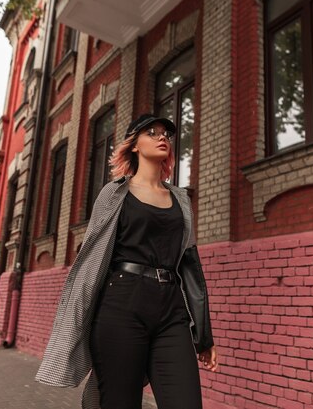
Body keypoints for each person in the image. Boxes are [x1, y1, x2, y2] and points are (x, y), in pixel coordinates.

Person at [36, 113, 217, 409]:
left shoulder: (181, 199)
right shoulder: (114, 193)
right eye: (152, 132)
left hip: (171, 310)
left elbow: (190, 265)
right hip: (121, 306)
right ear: (134, 145)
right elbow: (91, 258)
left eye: (166, 135)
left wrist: (204, 335)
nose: (162, 137)